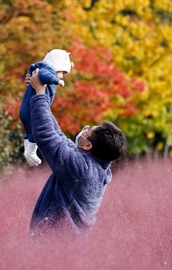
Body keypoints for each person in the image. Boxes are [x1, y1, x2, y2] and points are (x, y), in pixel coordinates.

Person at [25, 68, 127, 237]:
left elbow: (47, 136)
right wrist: (41, 96)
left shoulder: (81, 168)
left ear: (87, 145)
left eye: (88, 130)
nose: (84, 128)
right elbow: (59, 137)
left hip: (55, 242)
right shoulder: (95, 166)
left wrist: (40, 94)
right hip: (70, 243)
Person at [19, 49, 73, 167]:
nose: (62, 76)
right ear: (57, 65)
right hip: (32, 109)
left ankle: (28, 150)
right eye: (62, 73)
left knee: (30, 131)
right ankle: (31, 151)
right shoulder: (46, 70)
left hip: (26, 109)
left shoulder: (39, 69)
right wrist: (57, 81)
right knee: (35, 129)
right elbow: (45, 75)